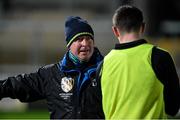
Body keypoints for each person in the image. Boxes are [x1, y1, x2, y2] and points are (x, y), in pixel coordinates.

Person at [0, 16, 104, 119]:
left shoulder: (106, 70)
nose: (85, 44)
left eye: (89, 39)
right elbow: (21, 84)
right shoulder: (52, 74)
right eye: (79, 39)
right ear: (69, 44)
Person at [96, 5, 180, 119]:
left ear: (115, 30)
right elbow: (173, 109)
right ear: (143, 27)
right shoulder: (160, 57)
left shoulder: (102, 65)